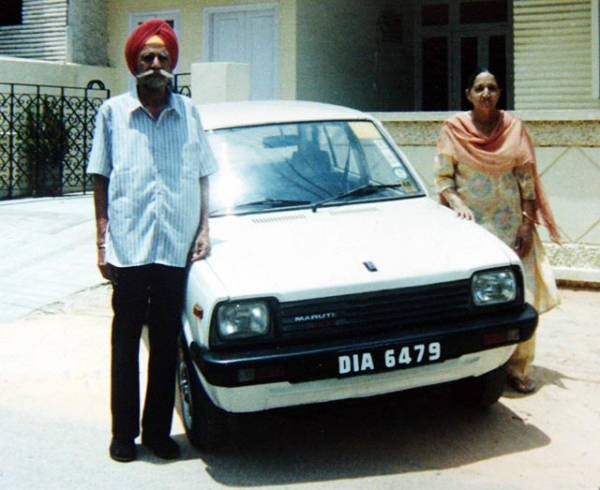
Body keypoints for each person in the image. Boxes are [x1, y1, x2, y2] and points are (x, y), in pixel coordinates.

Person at [87, 19, 218, 462]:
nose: (156, 64)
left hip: (174, 248)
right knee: (125, 344)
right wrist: (102, 237)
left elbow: (203, 175)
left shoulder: (190, 113)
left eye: (162, 57)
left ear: (171, 64)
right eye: (147, 57)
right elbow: (100, 179)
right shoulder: (113, 114)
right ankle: (122, 436)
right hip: (128, 247)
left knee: (166, 345)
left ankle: (158, 434)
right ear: (135, 64)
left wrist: (204, 228)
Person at [434, 68, 560, 394]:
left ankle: (518, 369)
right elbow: (444, 180)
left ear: (499, 93)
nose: (486, 93)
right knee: (474, 302)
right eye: (479, 88)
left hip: (511, 231)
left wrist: (526, 224)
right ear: (469, 94)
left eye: (492, 88)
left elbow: (526, 183)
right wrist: (456, 201)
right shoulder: (454, 130)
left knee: (522, 297)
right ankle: (475, 369)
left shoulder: (513, 129)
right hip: (471, 231)